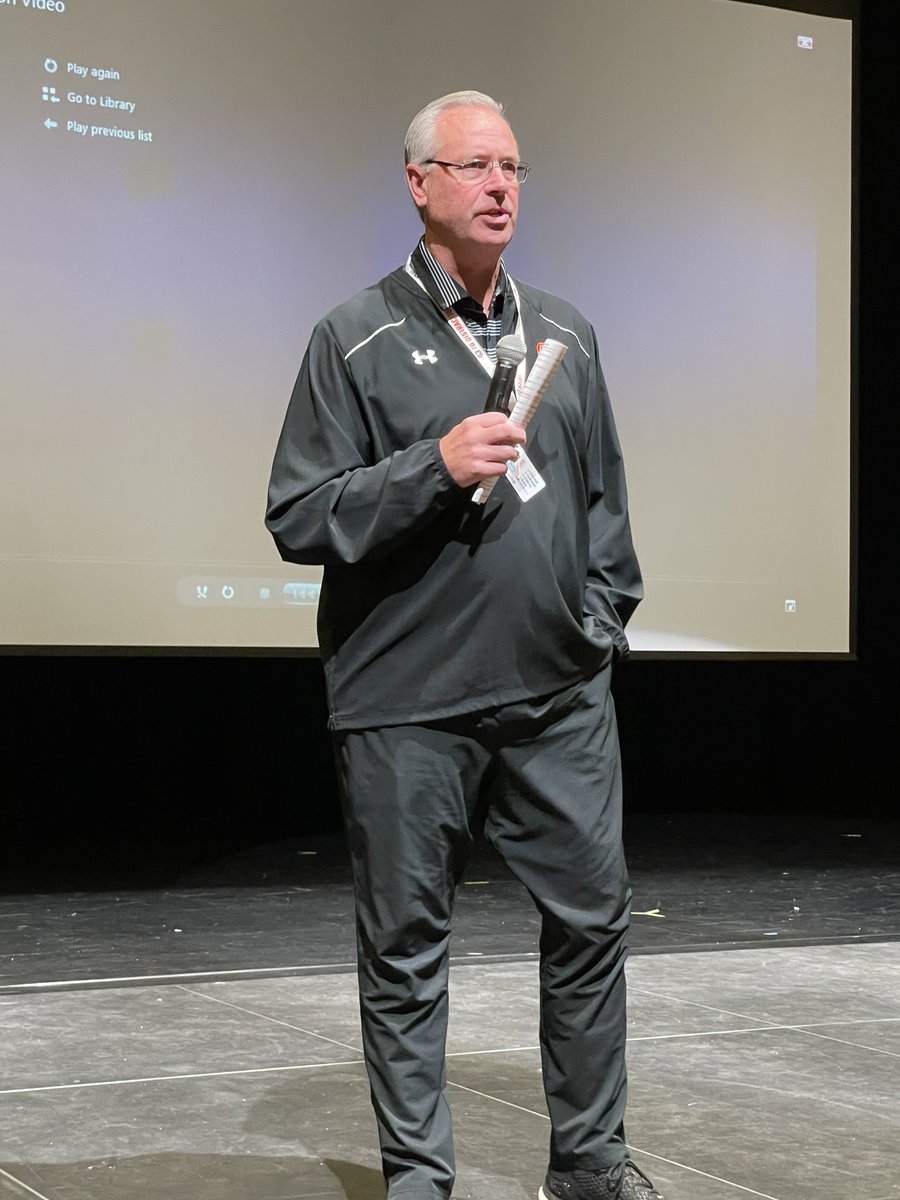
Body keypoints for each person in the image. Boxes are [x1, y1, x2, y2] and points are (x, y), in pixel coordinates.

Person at [266, 91, 658, 1200]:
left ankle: (588, 1164)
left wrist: (597, 625)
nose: (500, 186)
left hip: (558, 698)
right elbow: (301, 514)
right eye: (476, 166)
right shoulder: (355, 338)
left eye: (514, 168)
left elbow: (605, 507)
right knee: (405, 950)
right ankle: (419, 1179)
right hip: (407, 700)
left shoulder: (566, 334)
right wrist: (432, 466)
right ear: (418, 183)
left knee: (593, 927)